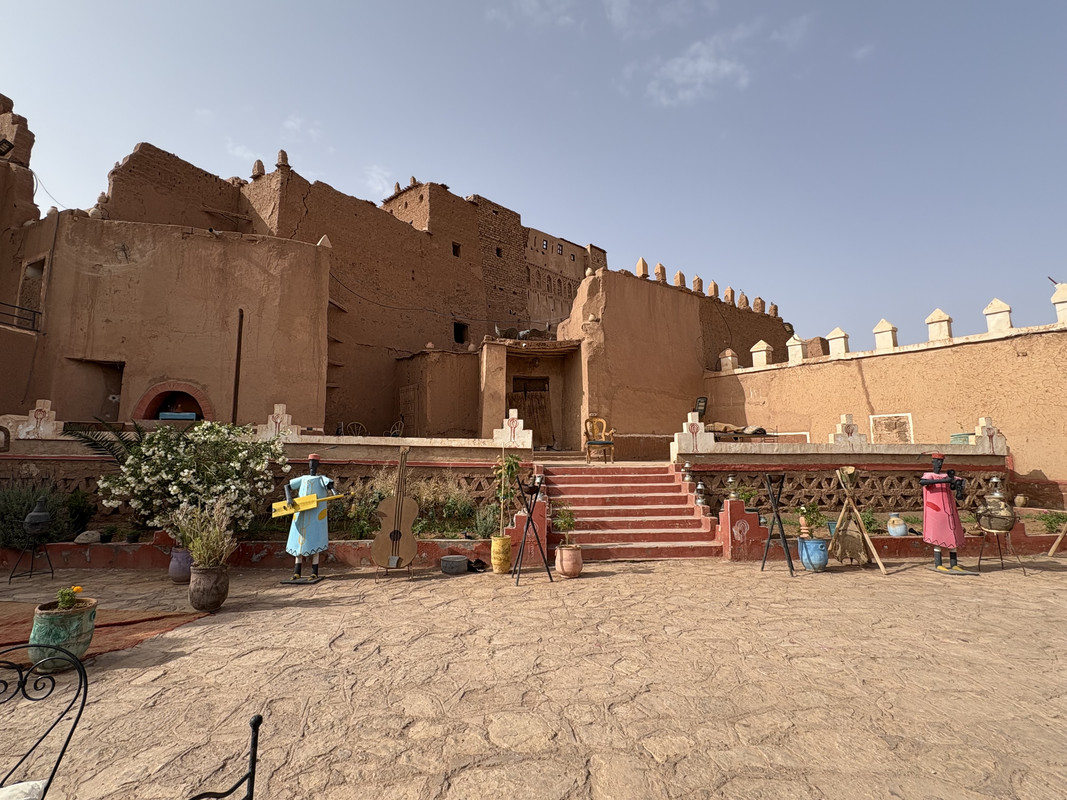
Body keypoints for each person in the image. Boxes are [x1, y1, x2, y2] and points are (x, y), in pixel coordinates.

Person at [919, 452, 976, 575]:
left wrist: (956, 484)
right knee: (937, 535)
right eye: (937, 462)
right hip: (935, 509)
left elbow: (957, 485)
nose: (939, 464)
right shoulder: (930, 476)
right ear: (933, 462)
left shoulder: (947, 476)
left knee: (952, 534)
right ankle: (938, 564)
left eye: (941, 462)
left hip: (949, 510)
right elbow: (922, 483)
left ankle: (954, 564)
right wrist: (945, 480)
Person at [284, 453, 333, 582]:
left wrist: (335, 493)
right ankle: (297, 572)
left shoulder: (322, 479)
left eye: (314, 463)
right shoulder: (303, 478)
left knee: (314, 541)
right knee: (299, 544)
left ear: (318, 465)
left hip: (315, 515)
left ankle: (314, 572)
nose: (312, 466)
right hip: (301, 513)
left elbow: (330, 486)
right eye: (311, 463)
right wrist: (289, 498)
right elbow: (287, 486)